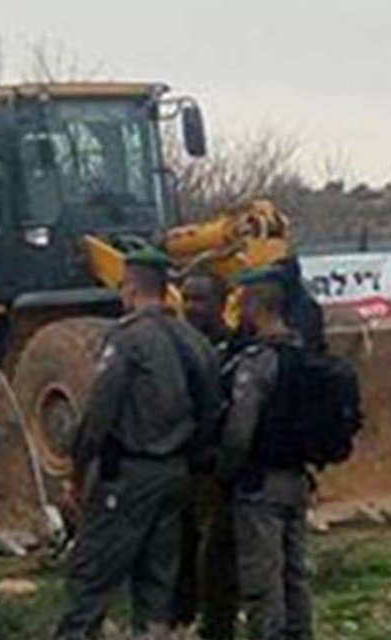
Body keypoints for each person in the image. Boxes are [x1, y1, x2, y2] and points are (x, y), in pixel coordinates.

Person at [55, 249, 222, 640]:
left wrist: (77, 476)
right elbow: (212, 412)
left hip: (128, 476)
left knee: (91, 577)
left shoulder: (128, 340)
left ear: (129, 288)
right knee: (157, 580)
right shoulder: (196, 341)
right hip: (177, 473)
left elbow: (99, 416)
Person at [217, 269, 313, 640]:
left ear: (255, 305)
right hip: (298, 479)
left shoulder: (257, 362)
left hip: (260, 485)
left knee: (262, 582)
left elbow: (240, 432)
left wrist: (225, 472)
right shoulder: (303, 354)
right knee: (295, 576)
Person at [174, 267, 239, 640]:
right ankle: (181, 618)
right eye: (186, 299)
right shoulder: (175, 347)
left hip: (215, 466)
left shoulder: (231, 349)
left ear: (221, 303)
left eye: (200, 299)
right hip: (178, 464)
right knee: (180, 547)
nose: (191, 307)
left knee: (216, 554)